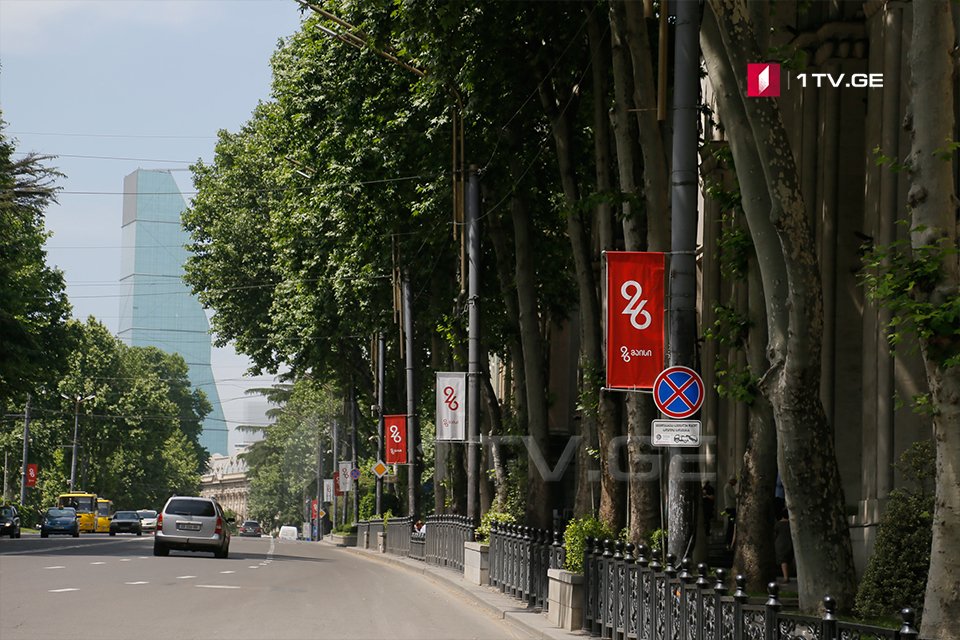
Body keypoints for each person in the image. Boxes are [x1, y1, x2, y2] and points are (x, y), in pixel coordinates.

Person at [775, 509, 793, 583]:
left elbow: (775, 534)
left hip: (781, 543)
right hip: (790, 542)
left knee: (783, 560)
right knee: (788, 560)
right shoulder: (791, 524)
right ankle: (788, 575)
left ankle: (786, 577)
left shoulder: (778, 524)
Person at [723, 477, 738, 548]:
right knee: (731, 524)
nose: (735, 484)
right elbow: (733, 496)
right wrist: (739, 494)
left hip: (729, 509)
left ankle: (728, 541)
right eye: (735, 482)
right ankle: (728, 541)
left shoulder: (727, 486)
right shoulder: (728, 487)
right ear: (732, 481)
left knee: (730, 524)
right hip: (731, 509)